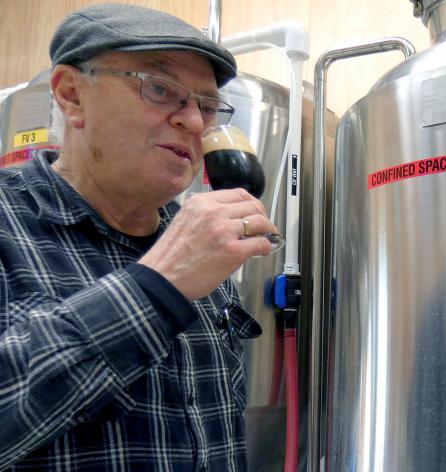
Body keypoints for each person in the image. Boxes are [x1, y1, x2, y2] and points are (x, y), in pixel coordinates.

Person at [0, 4, 281, 470]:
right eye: (160, 89)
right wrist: (155, 287)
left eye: (207, 107)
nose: (194, 123)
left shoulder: (191, 237)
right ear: (71, 95)